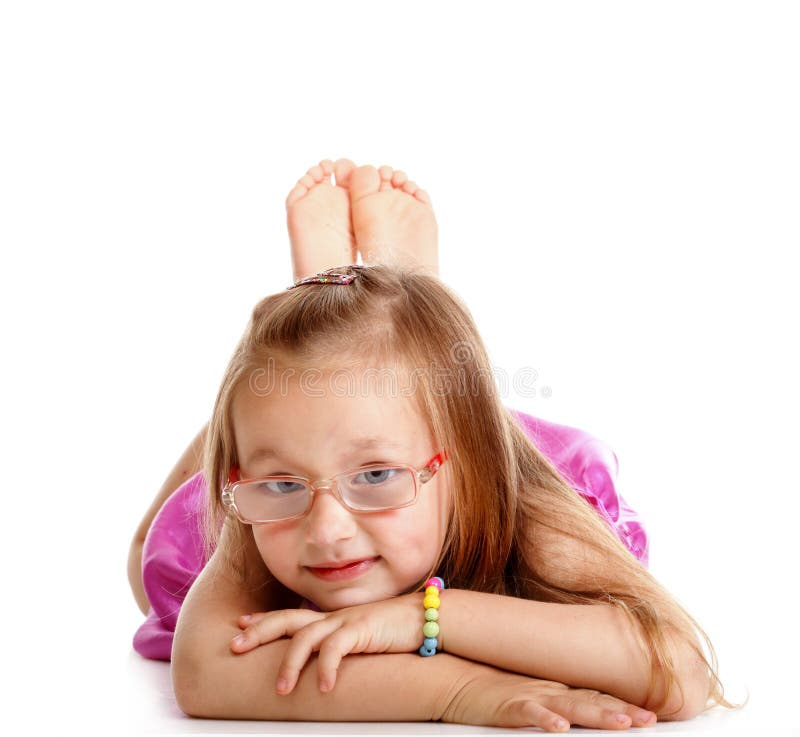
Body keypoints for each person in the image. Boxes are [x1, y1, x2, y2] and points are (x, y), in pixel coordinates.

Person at [129, 160, 738, 731]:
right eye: (283, 481)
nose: (328, 531)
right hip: (341, 451)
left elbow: (680, 674)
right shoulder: (259, 515)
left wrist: (422, 618)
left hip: (462, 449)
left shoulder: (526, 503)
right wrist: (462, 691)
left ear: (458, 466)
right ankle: (337, 315)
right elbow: (205, 674)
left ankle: (396, 317)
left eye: (375, 477)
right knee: (148, 562)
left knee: (378, 409)